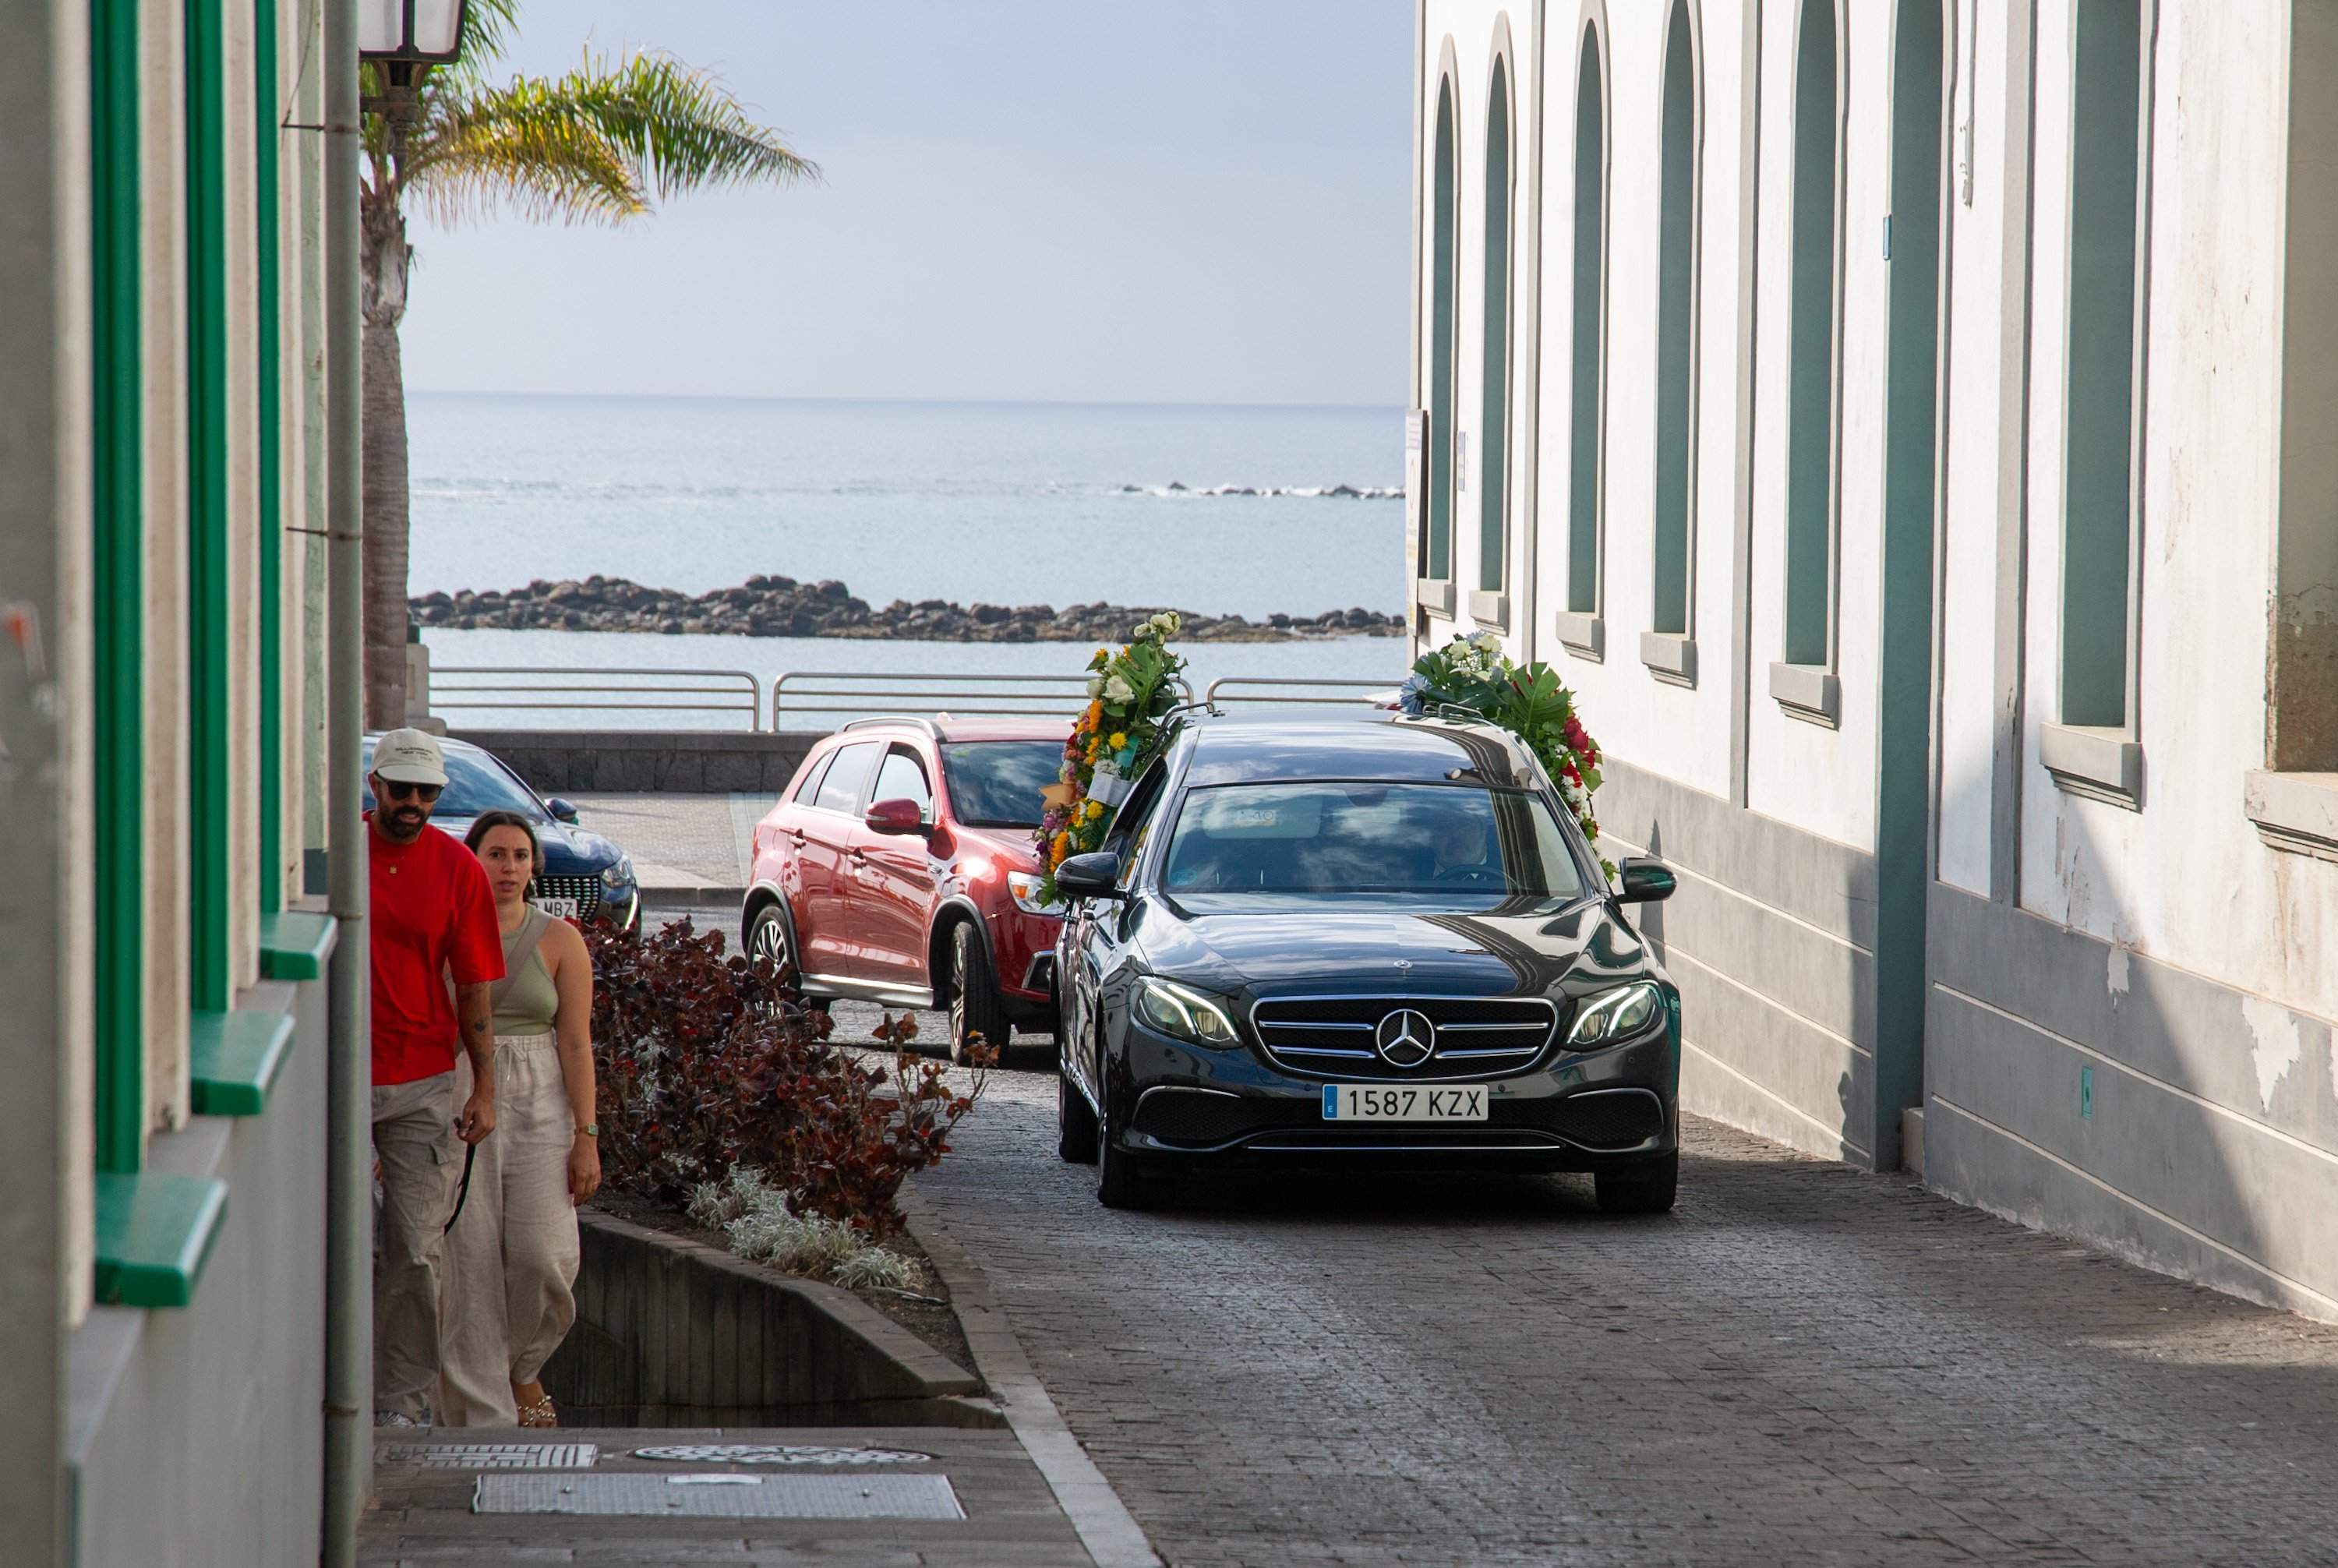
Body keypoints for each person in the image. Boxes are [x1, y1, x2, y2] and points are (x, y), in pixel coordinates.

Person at [436, 810, 602, 1428]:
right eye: (496, 854)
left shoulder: (560, 940)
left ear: (535, 867)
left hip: (541, 1098)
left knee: (543, 1254)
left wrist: (586, 1136)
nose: (509, 867)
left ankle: (519, 1370)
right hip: (461, 1093)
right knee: (468, 1259)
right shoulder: (446, 930)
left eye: (521, 856)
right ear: (472, 860)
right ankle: (481, 1414)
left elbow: (576, 1043)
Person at [368, 728, 502, 1428]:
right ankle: (329, 1387)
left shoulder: (459, 869)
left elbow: (475, 987)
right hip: (336, 1076)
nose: (414, 803)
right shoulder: (334, 853)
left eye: (427, 792)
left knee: (416, 1252)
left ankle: (401, 1405)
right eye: (402, 790)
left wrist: (484, 1088)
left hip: (423, 1079)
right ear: (376, 786)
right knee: (343, 1239)